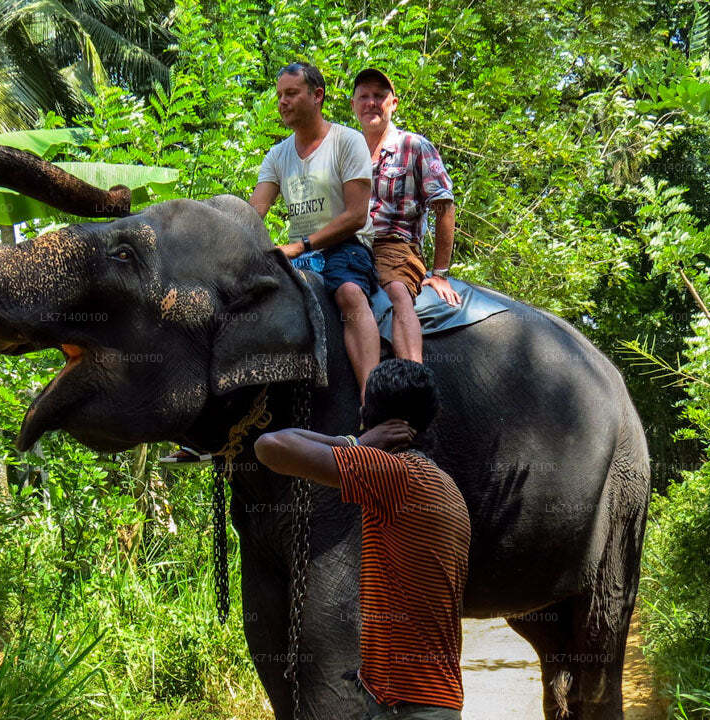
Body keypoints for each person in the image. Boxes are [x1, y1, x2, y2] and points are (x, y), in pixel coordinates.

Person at [254, 359, 470, 720]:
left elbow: (270, 446)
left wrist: (354, 441)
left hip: (409, 708)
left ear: (371, 416)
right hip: (428, 699)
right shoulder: (443, 485)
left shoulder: (395, 476)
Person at [249, 62, 381, 401]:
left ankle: (374, 401)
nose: (282, 102)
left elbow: (355, 215)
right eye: (279, 95)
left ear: (317, 95)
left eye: (291, 93)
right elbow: (252, 215)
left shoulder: (347, 142)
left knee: (350, 294)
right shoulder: (277, 155)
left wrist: (300, 245)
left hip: (347, 247)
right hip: (300, 255)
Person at [351, 68, 460, 364]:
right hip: (348, 246)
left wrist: (439, 274)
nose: (371, 103)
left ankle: (413, 375)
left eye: (379, 96)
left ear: (394, 103)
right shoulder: (347, 151)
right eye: (364, 96)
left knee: (397, 293)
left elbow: (444, 207)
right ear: (353, 105)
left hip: (396, 247)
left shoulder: (414, 146)